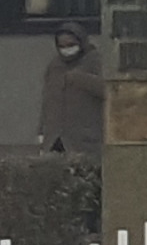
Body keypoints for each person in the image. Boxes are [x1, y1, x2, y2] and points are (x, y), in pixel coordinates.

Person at [38, 22, 104, 158]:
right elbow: (47, 100)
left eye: (71, 44)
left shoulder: (95, 61)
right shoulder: (54, 66)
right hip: (54, 139)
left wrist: (81, 79)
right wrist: (41, 130)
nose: (66, 49)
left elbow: (108, 91)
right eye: (62, 46)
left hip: (86, 139)